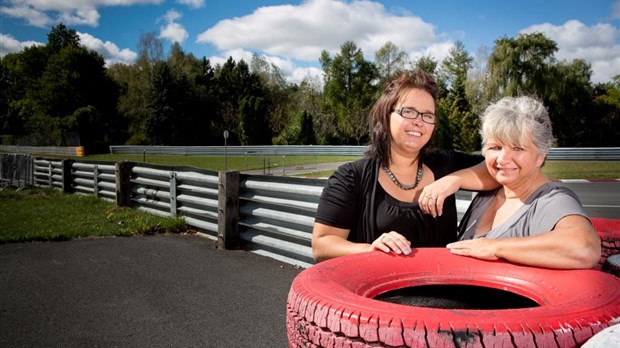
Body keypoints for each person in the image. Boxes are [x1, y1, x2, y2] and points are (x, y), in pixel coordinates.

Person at [311, 69, 498, 263]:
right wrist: (370, 249)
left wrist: (455, 179)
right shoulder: (351, 177)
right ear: (386, 115)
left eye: (428, 115)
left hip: (441, 290)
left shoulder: (445, 164)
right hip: (378, 291)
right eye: (408, 111)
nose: (418, 122)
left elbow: (498, 170)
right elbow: (321, 245)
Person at [440, 95, 600, 269]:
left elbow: (585, 248)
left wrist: (494, 247)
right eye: (495, 147)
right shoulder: (489, 191)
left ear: (540, 156)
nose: (502, 159)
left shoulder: (552, 200)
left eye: (517, 148)